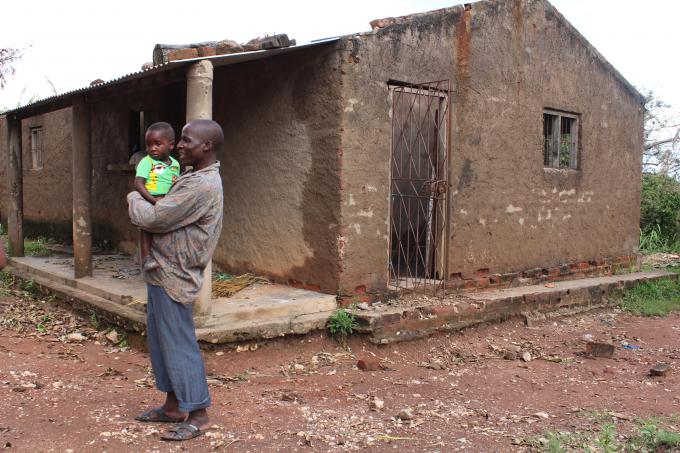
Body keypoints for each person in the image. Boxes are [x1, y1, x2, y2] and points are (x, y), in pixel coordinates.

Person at [127, 119, 224, 442]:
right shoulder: (190, 177)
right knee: (161, 342)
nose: (180, 145)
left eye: (186, 140)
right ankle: (172, 407)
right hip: (162, 270)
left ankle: (198, 413)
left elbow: (155, 217)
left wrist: (133, 197)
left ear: (206, 147)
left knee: (179, 344)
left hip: (175, 274)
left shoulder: (201, 185)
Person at [134, 122, 180, 268]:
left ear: (171, 145)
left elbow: (175, 183)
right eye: (149, 145)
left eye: (157, 144)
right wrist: (153, 200)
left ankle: (168, 257)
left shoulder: (175, 164)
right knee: (146, 227)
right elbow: (139, 183)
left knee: (169, 230)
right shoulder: (146, 162)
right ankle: (146, 257)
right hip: (149, 198)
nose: (152, 148)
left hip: (167, 200)